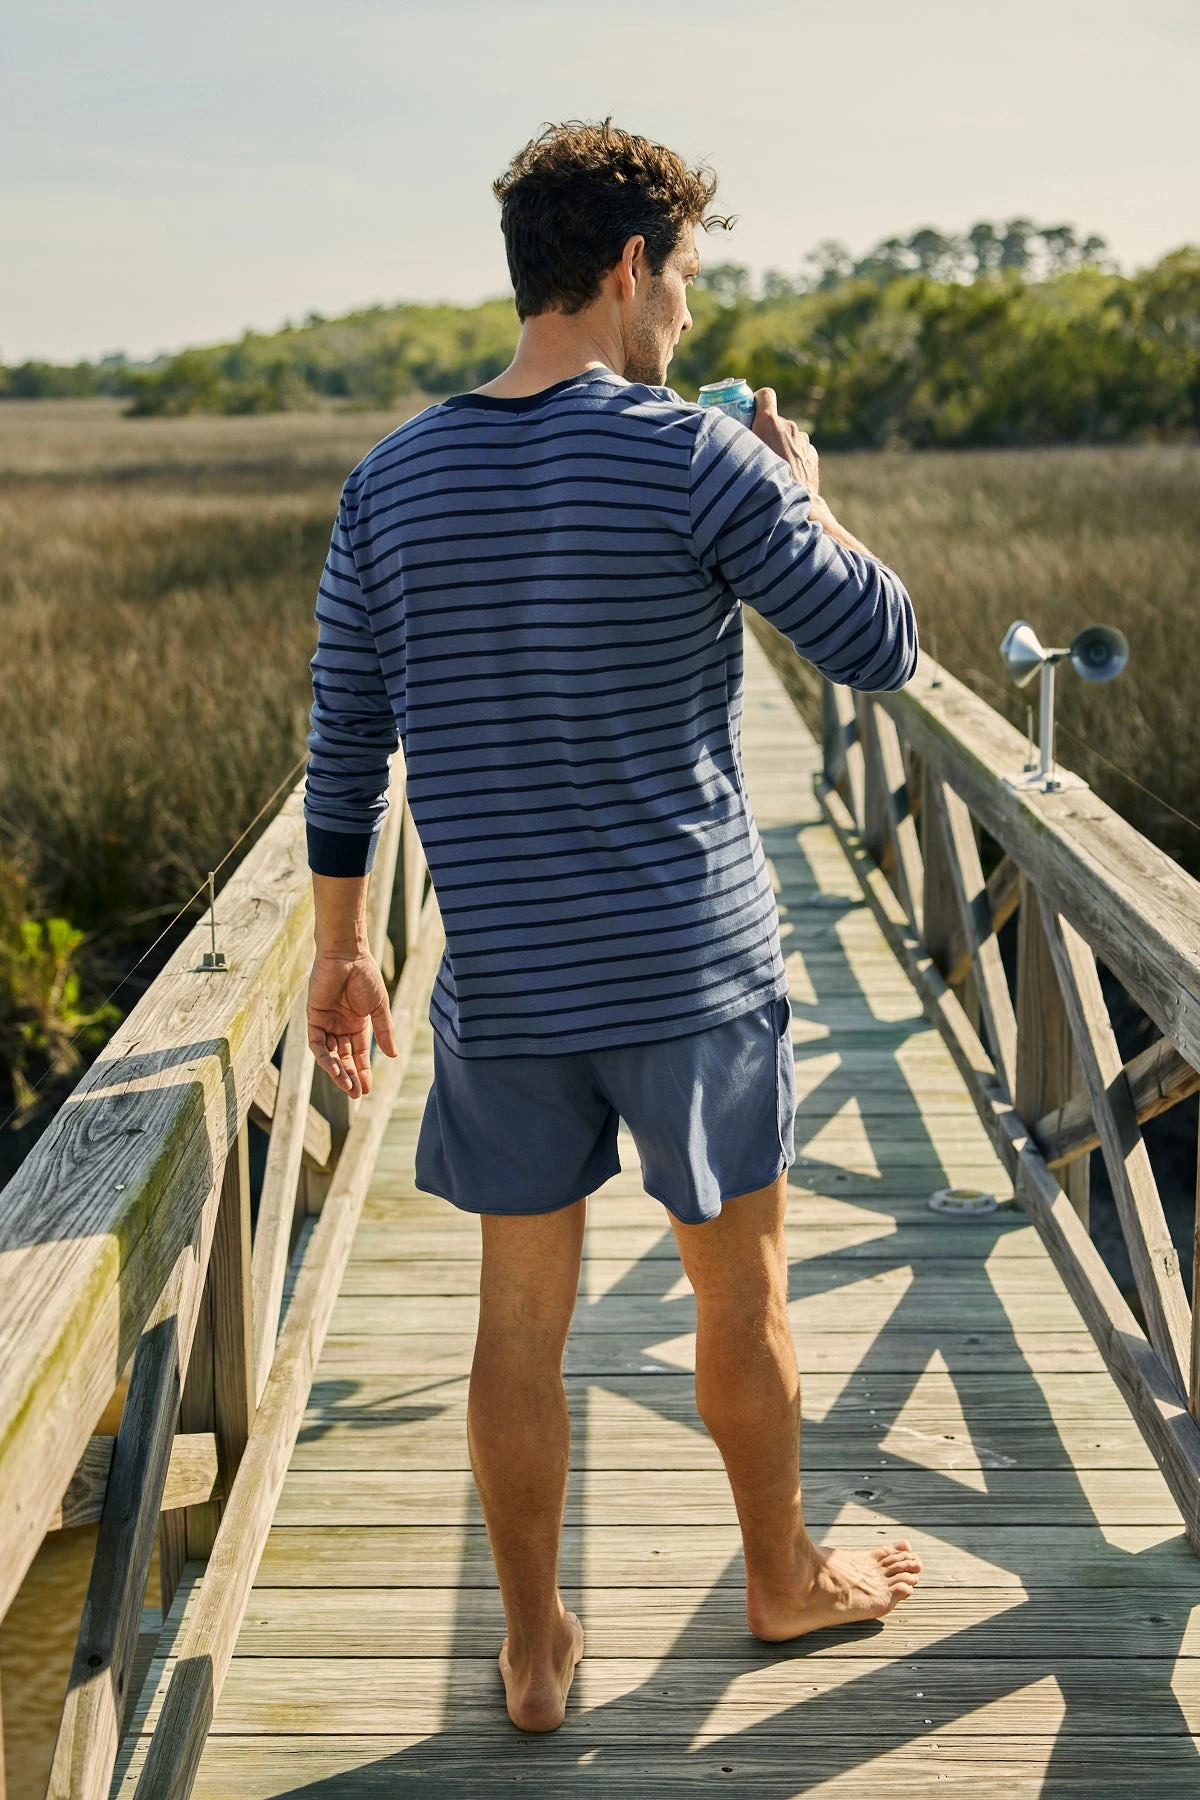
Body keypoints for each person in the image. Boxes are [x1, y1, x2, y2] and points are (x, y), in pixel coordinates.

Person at [303, 120, 922, 1736]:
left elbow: (343, 734)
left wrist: (342, 948)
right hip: (691, 969)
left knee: (518, 1320)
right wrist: (813, 492)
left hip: (505, 978)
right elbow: (875, 645)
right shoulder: (692, 454)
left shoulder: (389, 479)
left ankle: (526, 1648)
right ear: (631, 268)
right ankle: (782, 1577)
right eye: (688, 285)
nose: (690, 325)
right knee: (745, 1297)